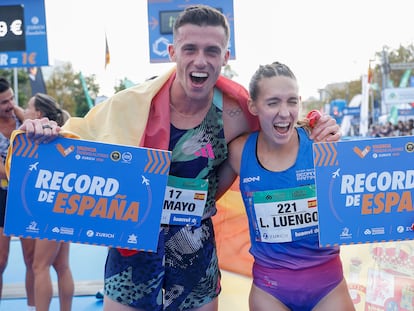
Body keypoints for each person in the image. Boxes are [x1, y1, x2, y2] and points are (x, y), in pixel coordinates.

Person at [15, 5, 340, 311]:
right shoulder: (130, 105)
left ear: (225, 56)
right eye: (190, 49)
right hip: (132, 256)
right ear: (172, 53)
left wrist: (318, 125)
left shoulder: (236, 112)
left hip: (195, 257)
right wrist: (42, 132)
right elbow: (78, 137)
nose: (201, 60)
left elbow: (281, 125)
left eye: (211, 51)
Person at [218, 61, 354, 311]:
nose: (284, 112)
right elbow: (204, 199)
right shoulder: (239, 153)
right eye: (273, 102)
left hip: (328, 286)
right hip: (270, 291)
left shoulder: (322, 145)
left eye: (292, 101)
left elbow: (363, 198)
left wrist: (401, 217)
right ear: (253, 106)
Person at [23, 92, 74, 311]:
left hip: (48, 206)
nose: (24, 111)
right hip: (64, 204)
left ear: (39, 114)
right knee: (62, 266)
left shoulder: (41, 139)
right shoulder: (64, 135)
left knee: (39, 266)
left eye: (27, 107)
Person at [0, 77, 36, 311]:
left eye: (12, 98)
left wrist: (24, 116)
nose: (10, 104)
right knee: (0, 261)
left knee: (32, 260)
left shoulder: (21, 118)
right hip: (3, 198)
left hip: (24, 196)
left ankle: (34, 306)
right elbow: (3, 172)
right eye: (4, 101)